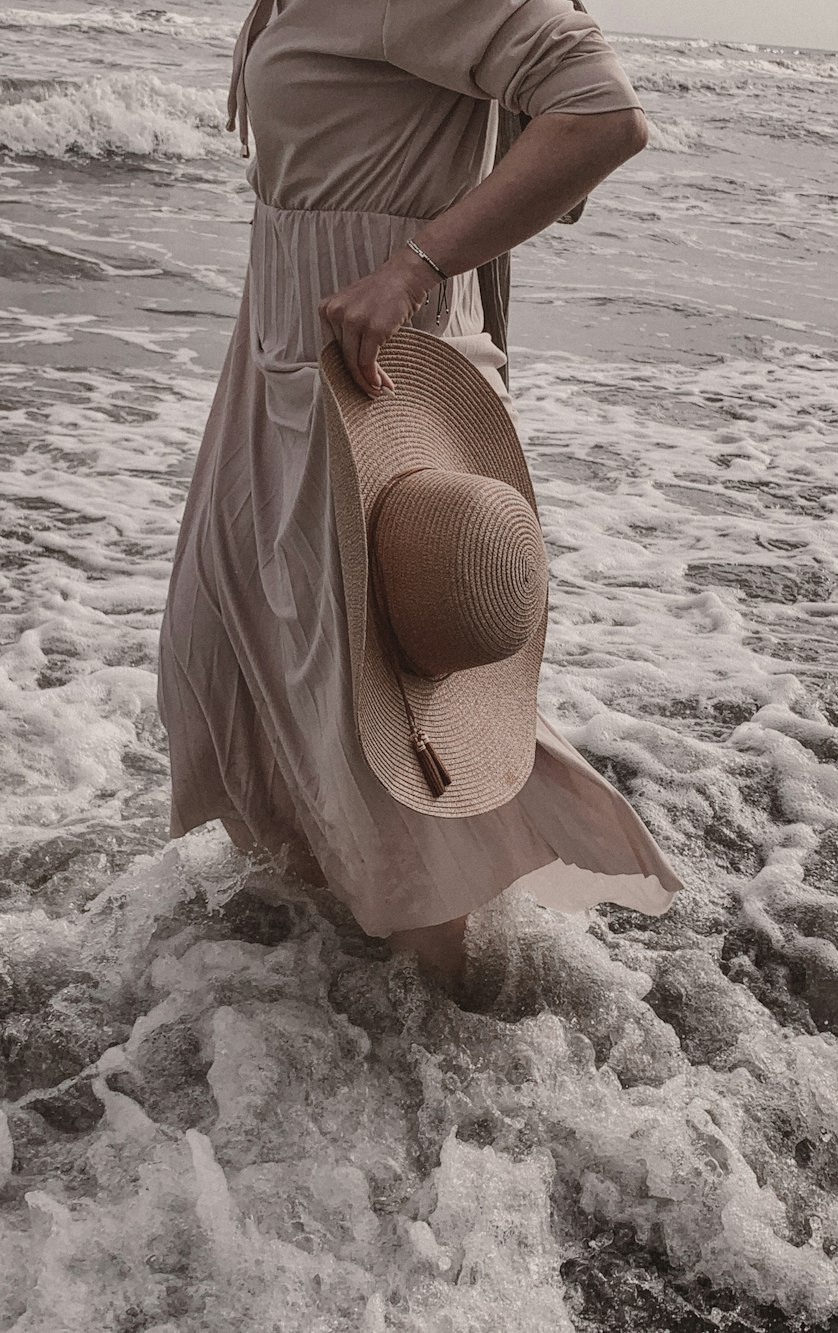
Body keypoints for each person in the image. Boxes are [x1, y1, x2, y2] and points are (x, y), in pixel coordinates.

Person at [156, 0, 687, 993]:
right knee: (231, 658)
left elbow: (602, 119)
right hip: (282, 358)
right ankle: (329, 951)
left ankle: (441, 1012)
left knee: (379, 717)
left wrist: (415, 264)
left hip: (372, 376)